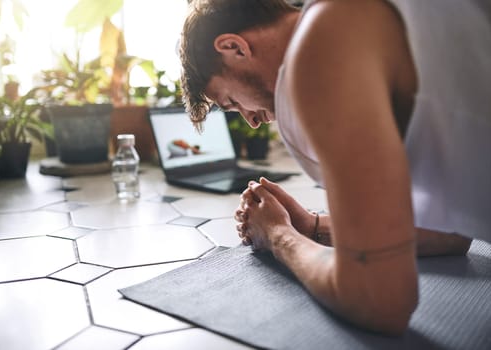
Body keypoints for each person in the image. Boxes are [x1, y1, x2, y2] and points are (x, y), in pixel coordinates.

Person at [178, 0, 491, 334]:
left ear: (233, 47)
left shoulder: (322, 46)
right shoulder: (350, 18)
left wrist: (276, 235)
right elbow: (450, 235)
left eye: (232, 102)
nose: (251, 121)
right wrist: (309, 225)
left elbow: (379, 299)